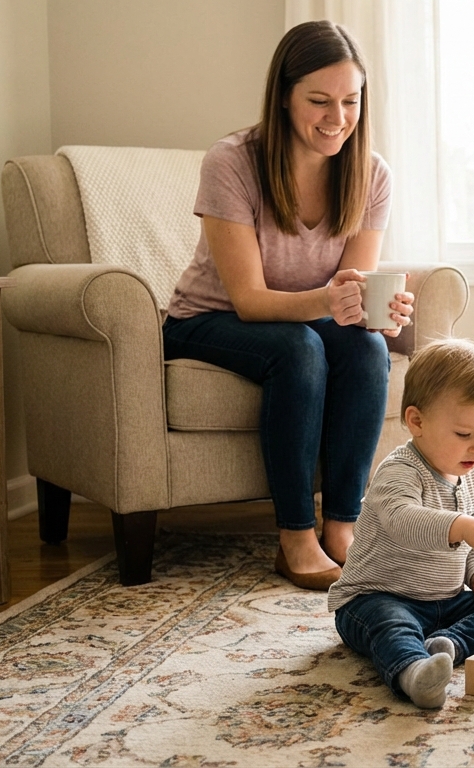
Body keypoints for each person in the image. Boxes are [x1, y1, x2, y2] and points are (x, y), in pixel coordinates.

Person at [162, 21, 414, 590]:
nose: (337, 117)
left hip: (304, 317)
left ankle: (343, 528)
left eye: (351, 101)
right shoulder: (232, 160)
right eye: (319, 101)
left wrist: (376, 309)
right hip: (206, 319)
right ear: (283, 96)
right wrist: (330, 300)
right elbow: (248, 301)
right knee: (300, 349)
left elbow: (355, 283)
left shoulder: (371, 174)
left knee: (368, 348)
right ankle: (295, 537)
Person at [328, 338, 474, 708]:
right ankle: (413, 672)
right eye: (464, 434)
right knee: (391, 625)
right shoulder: (398, 472)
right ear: (417, 421)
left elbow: (469, 546)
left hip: (443, 603)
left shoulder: (470, 478)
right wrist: (463, 525)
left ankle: (446, 644)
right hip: (376, 597)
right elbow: (405, 522)